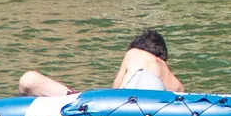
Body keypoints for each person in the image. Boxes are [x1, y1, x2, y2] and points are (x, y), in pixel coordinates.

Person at [18, 28, 186, 98]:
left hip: (115, 109)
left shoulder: (135, 53)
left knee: (29, 80)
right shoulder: (177, 85)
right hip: (155, 115)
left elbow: (116, 90)